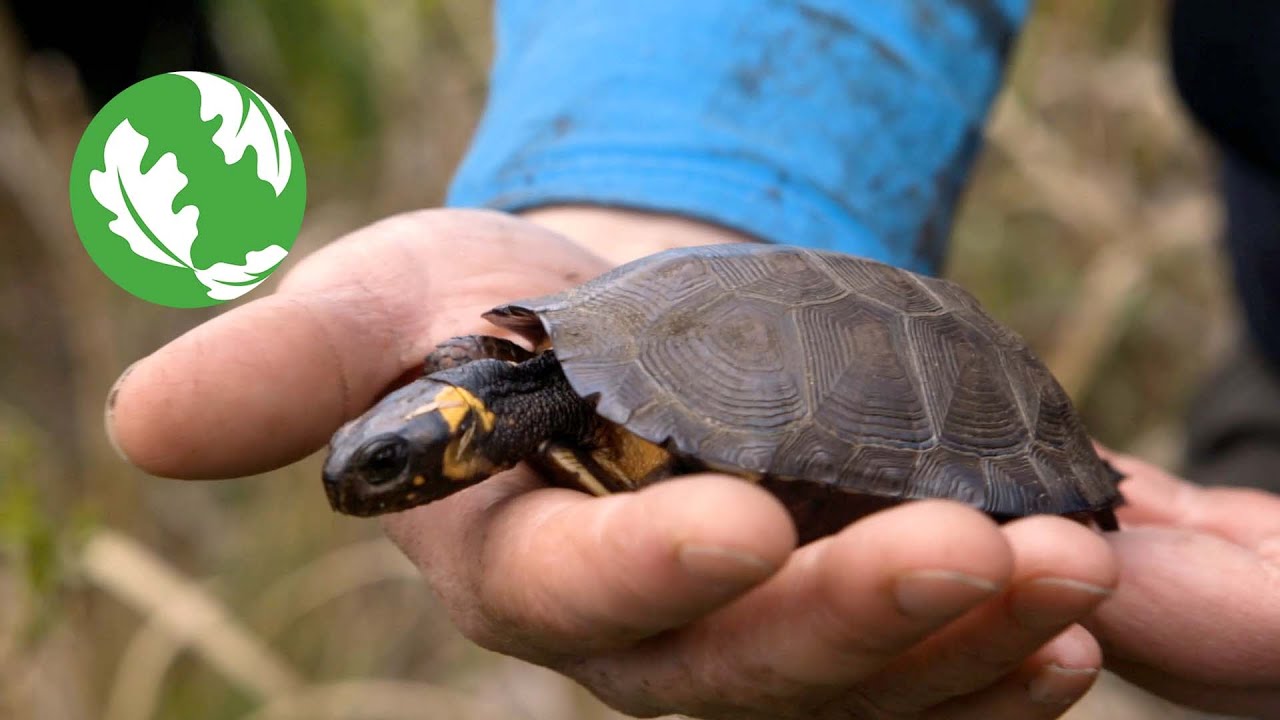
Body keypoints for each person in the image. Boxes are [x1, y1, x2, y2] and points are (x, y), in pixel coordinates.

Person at [104, 3, 1280, 719]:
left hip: (981, 415)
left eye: (391, 464)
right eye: (383, 464)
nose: (377, 482)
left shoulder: (583, 416)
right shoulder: (552, 378)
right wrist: (674, 167)